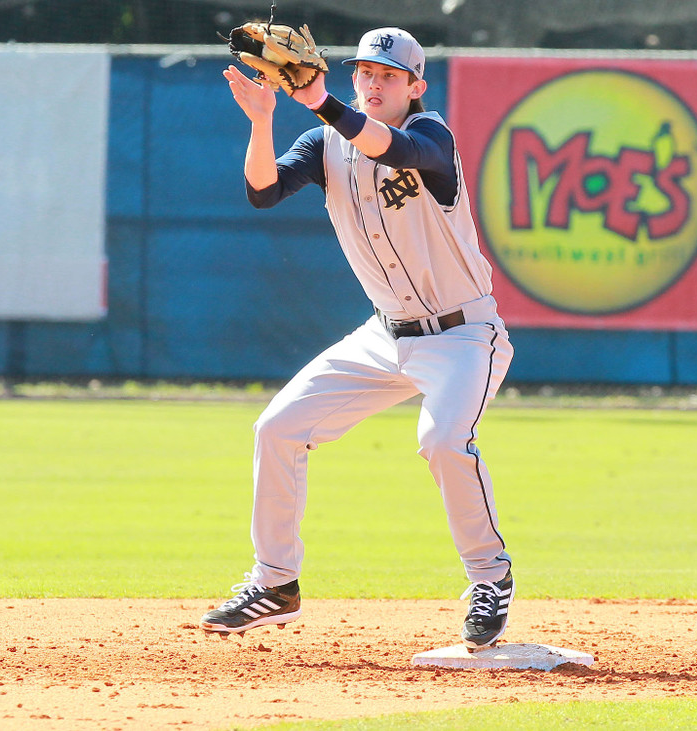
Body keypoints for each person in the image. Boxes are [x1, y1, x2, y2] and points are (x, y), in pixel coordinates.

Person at [201, 27, 515, 651]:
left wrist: (321, 102)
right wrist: (262, 121)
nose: (374, 82)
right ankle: (275, 582)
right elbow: (262, 193)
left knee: (444, 440)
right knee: (277, 427)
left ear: (415, 86)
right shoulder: (323, 143)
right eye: (365, 72)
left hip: (462, 333)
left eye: (389, 75)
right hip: (384, 336)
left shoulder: (431, 137)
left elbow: (391, 151)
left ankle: (490, 578)